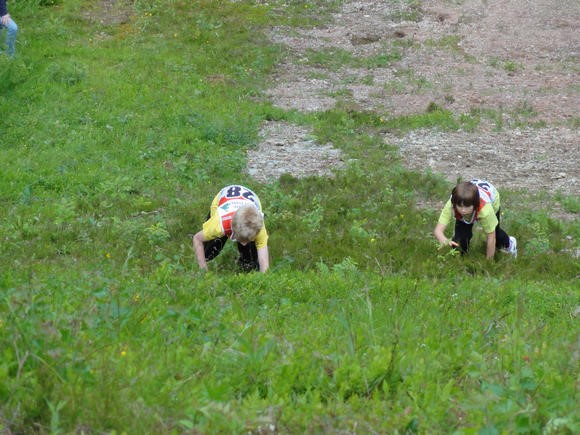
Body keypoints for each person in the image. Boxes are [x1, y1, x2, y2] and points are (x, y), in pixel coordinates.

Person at [192, 184, 270, 273]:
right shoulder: (219, 223)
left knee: (251, 260)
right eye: (240, 239)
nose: (244, 244)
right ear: (232, 228)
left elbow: (264, 261)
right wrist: (203, 271)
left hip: (248, 200)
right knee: (210, 251)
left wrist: (264, 281)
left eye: (247, 240)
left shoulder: (258, 228)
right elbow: (197, 238)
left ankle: (245, 270)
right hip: (222, 202)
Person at [434, 179, 517, 259]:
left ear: (475, 204)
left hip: (492, 200)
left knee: (497, 234)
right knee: (460, 238)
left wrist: (488, 263)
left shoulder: (485, 210)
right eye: (460, 206)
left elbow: (491, 237)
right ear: (455, 204)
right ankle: (462, 259)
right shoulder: (452, 204)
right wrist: (444, 240)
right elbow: (438, 231)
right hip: (473, 202)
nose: (463, 210)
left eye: (467, 206)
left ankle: (510, 244)